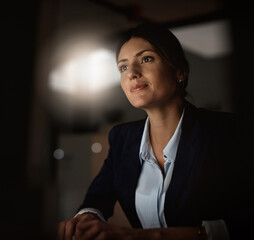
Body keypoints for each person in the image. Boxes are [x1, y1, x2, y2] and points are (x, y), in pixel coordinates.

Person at [58, 22, 251, 240]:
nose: (132, 73)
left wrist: (144, 236)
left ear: (180, 70)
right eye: (123, 67)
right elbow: (96, 200)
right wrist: (86, 219)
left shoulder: (227, 131)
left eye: (146, 59)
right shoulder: (122, 137)